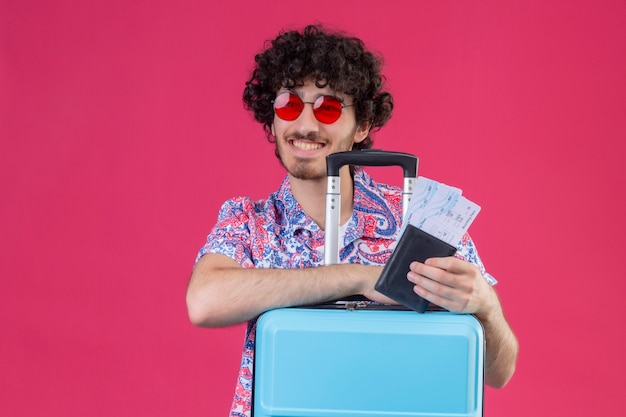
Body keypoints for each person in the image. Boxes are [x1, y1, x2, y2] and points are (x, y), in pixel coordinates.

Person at [186, 24, 518, 417]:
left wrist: (488, 309)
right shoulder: (249, 222)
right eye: (289, 105)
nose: (305, 125)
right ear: (272, 119)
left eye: (327, 108)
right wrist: (358, 277)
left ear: (361, 126)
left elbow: (499, 372)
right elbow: (204, 302)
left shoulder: (423, 220)